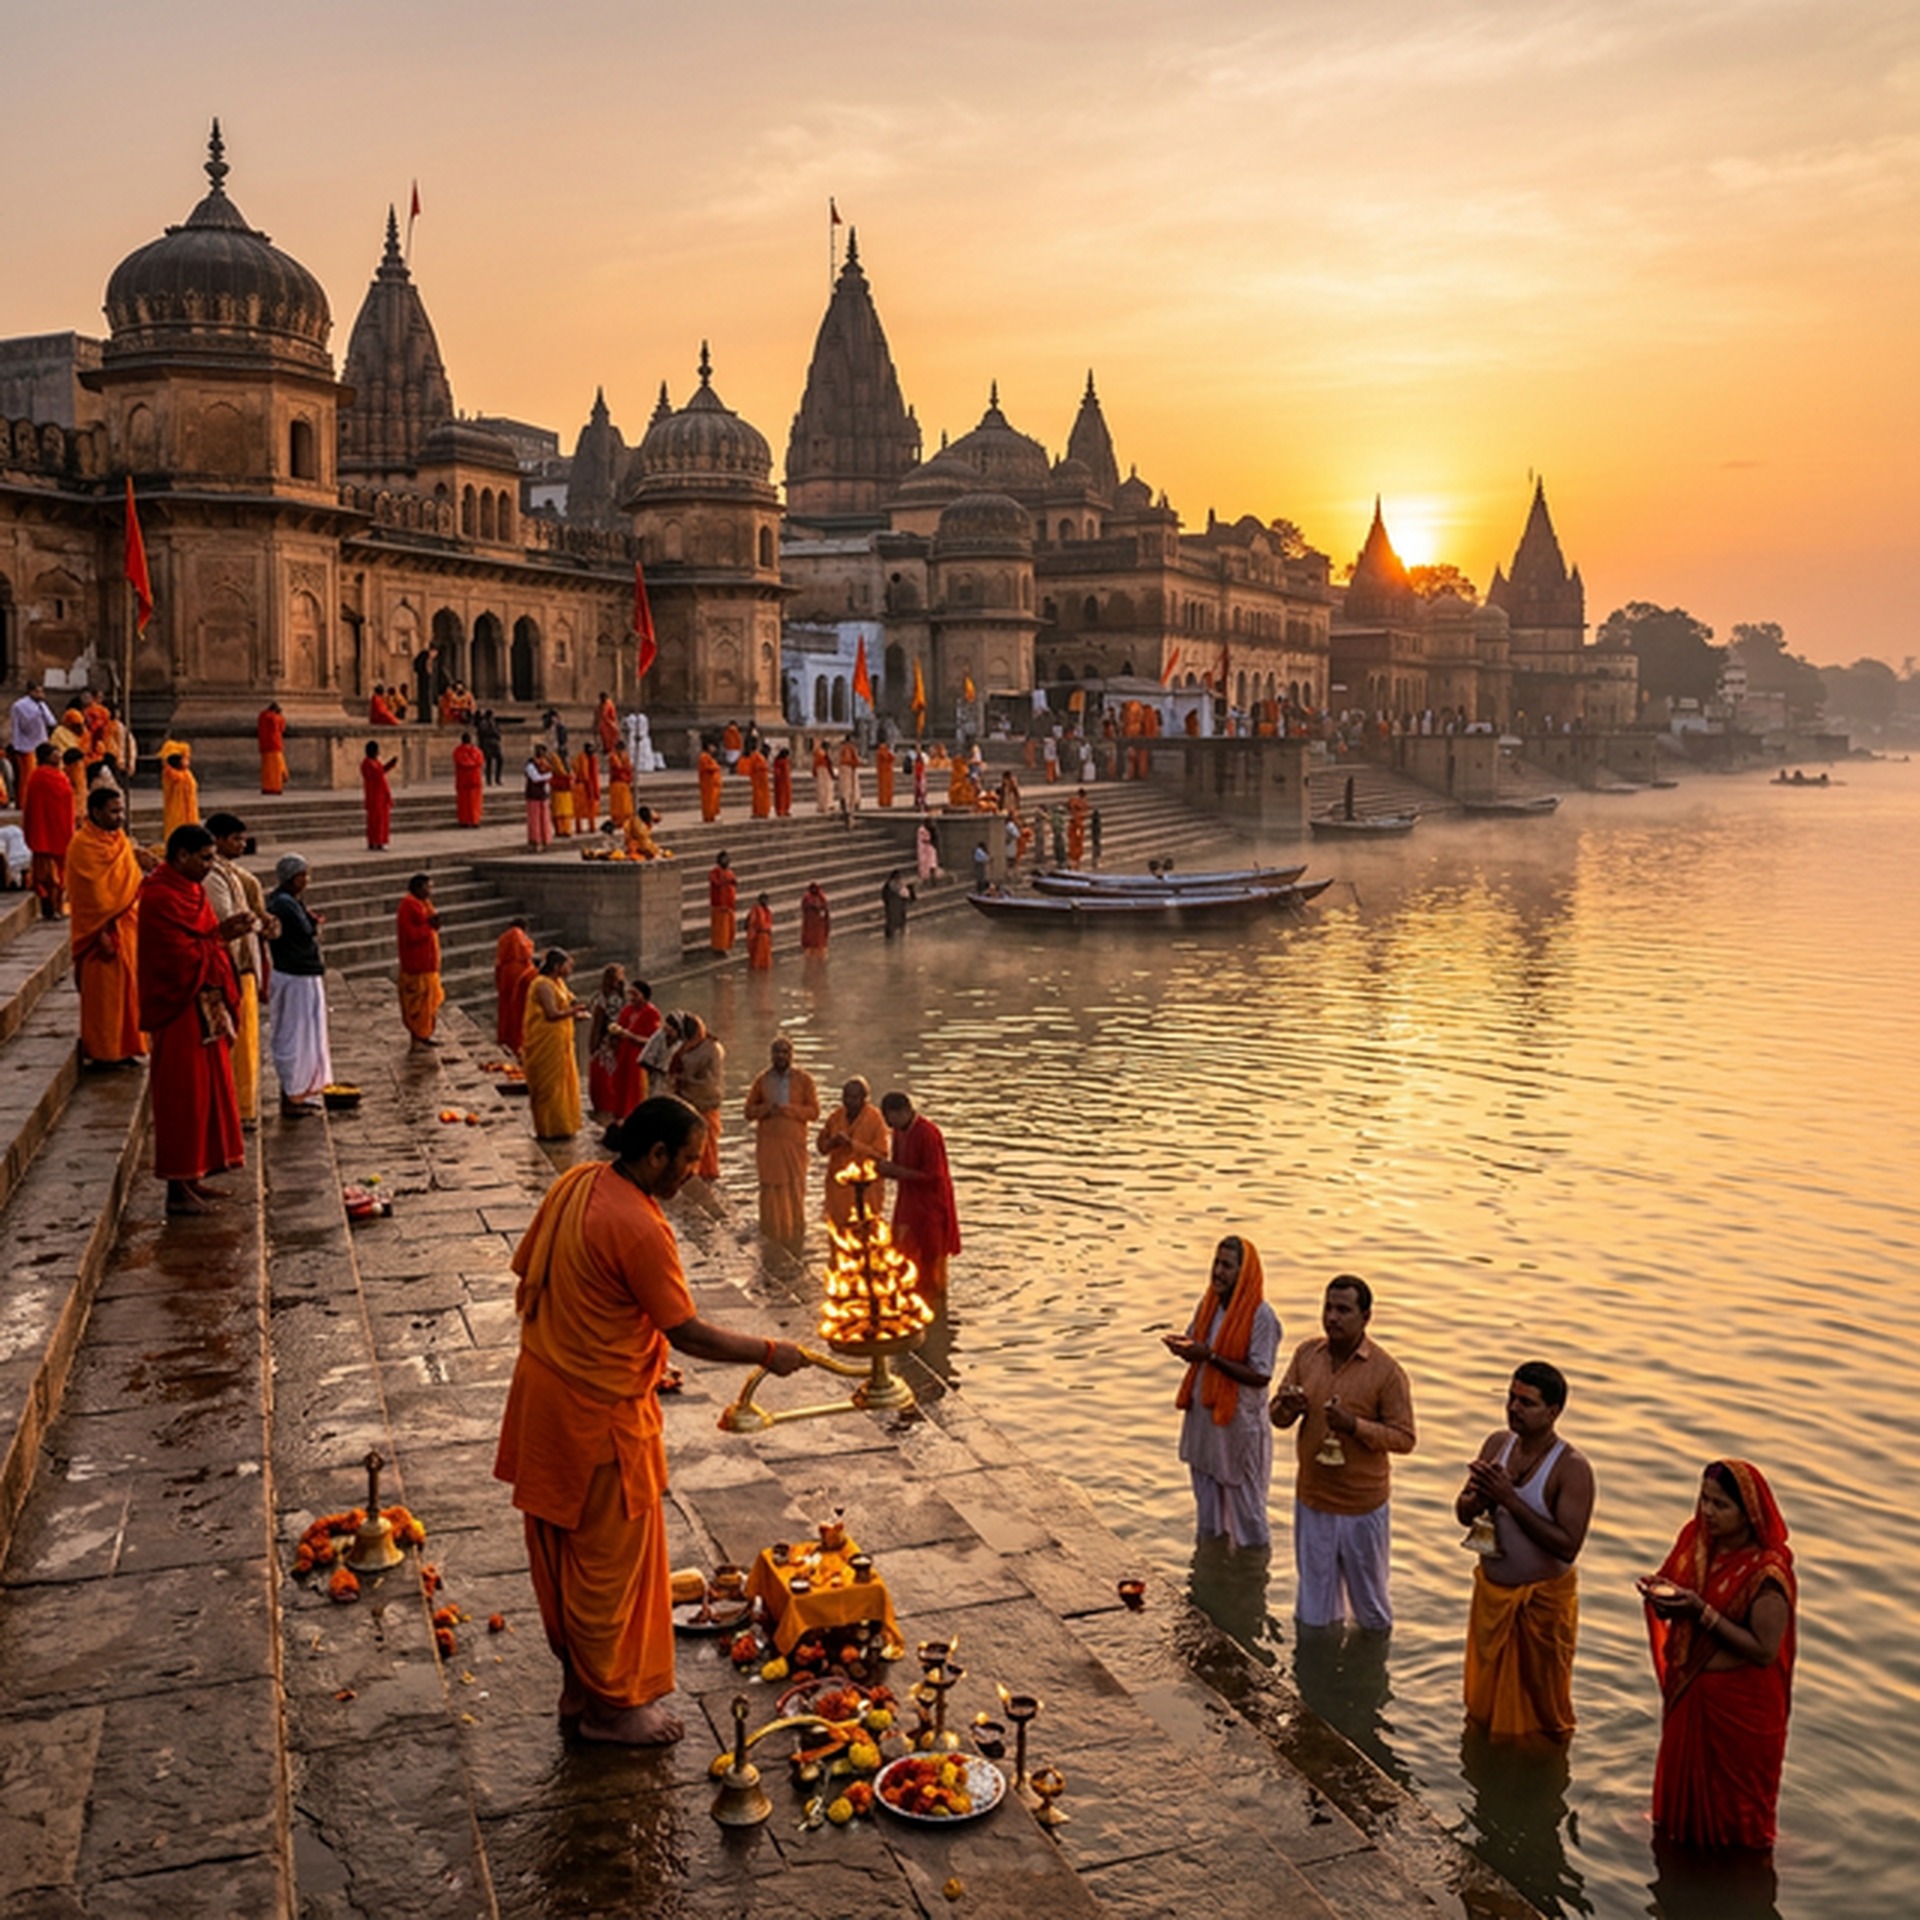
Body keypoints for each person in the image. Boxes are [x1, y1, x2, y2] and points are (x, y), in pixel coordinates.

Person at [492, 1097, 807, 1744]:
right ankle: (612, 1708)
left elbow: (534, 1274)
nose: (696, 1169)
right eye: (689, 1158)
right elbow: (684, 1330)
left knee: (567, 1555)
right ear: (655, 1153)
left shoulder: (578, 1183)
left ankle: (582, 1693)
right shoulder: (637, 1225)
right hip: (593, 1417)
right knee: (609, 1565)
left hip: (545, 1392)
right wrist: (768, 1352)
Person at [1639, 1461, 1796, 1851]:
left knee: (1736, 1823)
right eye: (1704, 1500)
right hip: (1691, 1693)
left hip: (1741, 1712)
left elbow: (1763, 1650)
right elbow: (1677, 1589)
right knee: (1678, 1817)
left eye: (1720, 1505)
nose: (1707, 1511)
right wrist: (1663, 1599)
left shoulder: (1767, 1573)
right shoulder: (1696, 1542)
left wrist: (1700, 1613)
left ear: (1749, 1515)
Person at [1455, 1362, 1594, 1741]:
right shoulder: (1496, 1444)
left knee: (1542, 1717)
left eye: (1527, 1403)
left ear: (1553, 1412)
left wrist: (1509, 1499)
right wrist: (1478, 1497)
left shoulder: (1571, 1468)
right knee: (1482, 1712)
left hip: (1541, 1608)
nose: (1514, 1408)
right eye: (1511, 1398)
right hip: (1491, 1599)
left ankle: (1541, 1774)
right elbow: (1463, 1514)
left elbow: (1568, 1547)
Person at [1270, 1276, 1416, 1632]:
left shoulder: (1387, 1372)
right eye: (1328, 1308)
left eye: (1343, 1310)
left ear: (1365, 1317)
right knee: (1312, 1610)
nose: (1332, 1317)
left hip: (1361, 1509)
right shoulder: (1308, 1354)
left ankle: (1369, 1677)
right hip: (1313, 1500)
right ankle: (1317, 1679)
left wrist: (1355, 1426)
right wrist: (1288, 1406)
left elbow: (1404, 1438)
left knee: (1371, 1610)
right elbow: (1276, 1417)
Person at [137, 825, 250, 1214]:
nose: (209, 866)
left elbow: (202, 942)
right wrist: (219, 937)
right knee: (183, 1096)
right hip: (178, 1008)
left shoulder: (193, 889)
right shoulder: (158, 896)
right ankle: (176, 1188)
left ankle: (196, 1176)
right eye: (203, 858)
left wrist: (218, 938)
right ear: (181, 856)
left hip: (204, 1006)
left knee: (209, 1093)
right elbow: (174, 958)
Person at [1164, 1237, 1280, 1550]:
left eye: (1227, 1266)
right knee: (1208, 1515)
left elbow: (1261, 1374)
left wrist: (1211, 1356)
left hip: (1238, 1429)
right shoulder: (1208, 1305)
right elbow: (1197, 1343)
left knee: (1249, 1518)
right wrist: (1184, 1348)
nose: (1218, 1272)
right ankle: (1212, 1573)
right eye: (1216, 1263)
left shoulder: (1261, 1317)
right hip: (1205, 1425)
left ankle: (1252, 1577)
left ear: (1244, 1273)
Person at [66, 784, 152, 1069]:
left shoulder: (120, 840)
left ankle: (128, 1047)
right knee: (105, 997)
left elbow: (131, 879)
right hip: (99, 933)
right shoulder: (82, 845)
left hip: (128, 927)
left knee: (130, 993)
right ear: (95, 812)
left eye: (121, 811)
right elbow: (92, 895)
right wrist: (104, 925)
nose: (120, 817)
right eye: (114, 811)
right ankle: (104, 1052)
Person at [204, 813, 276, 1128]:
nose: (242, 844)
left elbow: (246, 918)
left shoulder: (231, 873)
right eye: (236, 839)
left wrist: (262, 923)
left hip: (242, 966)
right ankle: (234, 1108)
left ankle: (242, 1106)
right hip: (227, 966)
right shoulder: (212, 876)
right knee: (234, 1044)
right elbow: (227, 920)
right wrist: (256, 924)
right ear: (218, 840)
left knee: (245, 1042)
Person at [264, 853, 331, 1115]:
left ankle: (302, 1091)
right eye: (303, 875)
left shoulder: (288, 901)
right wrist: (313, 924)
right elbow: (305, 931)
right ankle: (293, 1095)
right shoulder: (284, 904)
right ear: (292, 878)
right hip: (295, 976)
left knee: (306, 1035)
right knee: (297, 1036)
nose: (307, 880)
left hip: (299, 974)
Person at [876, 1091, 959, 1300]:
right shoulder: (899, 1132)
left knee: (932, 1259)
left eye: (890, 1119)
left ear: (903, 1111)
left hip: (931, 1205)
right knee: (902, 1253)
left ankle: (936, 1307)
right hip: (908, 1203)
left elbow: (934, 1176)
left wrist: (894, 1171)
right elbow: (899, 1167)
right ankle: (911, 1299)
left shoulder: (928, 1133)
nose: (889, 1125)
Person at [743, 1035, 822, 1250]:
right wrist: (767, 1109)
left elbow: (814, 1112)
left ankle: (795, 1231)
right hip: (769, 1146)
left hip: (794, 1145)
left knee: (794, 1186)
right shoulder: (762, 1080)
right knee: (770, 1186)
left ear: (791, 1055)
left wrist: (789, 1110)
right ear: (771, 1055)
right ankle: (771, 1229)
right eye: (776, 1052)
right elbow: (748, 1111)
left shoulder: (804, 1080)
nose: (780, 1056)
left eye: (784, 1052)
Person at [522, 947, 589, 1138]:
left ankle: (563, 1126)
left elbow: (568, 1002)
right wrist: (574, 1012)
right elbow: (552, 1014)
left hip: (560, 1040)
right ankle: (548, 1129)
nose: (571, 969)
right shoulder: (543, 984)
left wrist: (576, 1009)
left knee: (564, 1083)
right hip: (545, 1041)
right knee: (549, 1086)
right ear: (557, 966)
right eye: (568, 965)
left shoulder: (558, 982)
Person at [817, 1076, 890, 1228]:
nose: (849, 1101)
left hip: (866, 1188)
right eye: (846, 1097)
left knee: (866, 1232)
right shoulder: (836, 1116)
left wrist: (853, 1144)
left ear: (865, 1098)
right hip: (838, 1187)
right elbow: (822, 1147)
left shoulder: (875, 1119)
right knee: (838, 1232)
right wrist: (834, 1142)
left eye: (854, 1097)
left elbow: (881, 1154)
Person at [667, 1013, 725, 1178]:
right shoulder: (685, 1046)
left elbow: (710, 1078)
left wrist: (685, 1079)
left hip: (705, 1100)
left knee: (707, 1140)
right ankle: (691, 1171)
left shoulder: (711, 1049)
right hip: (687, 1100)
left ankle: (708, 1173)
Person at [22, 743, 74, 918]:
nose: (59, 756)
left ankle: (57, 907)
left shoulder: (59, 776)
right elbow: (33, 807)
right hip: (44, 831)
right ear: (45, 757)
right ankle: (49, 907)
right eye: (54, 753)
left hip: (59, 828)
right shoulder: (38, 777)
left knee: (59, 875)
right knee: (49, 877)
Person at [396, 873, 444, 1048]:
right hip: (416, 966)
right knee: (418, 1005)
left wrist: (434, 924)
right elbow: (410, 935)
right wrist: (429, 926)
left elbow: (430, 925)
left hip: (428, 964)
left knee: (429, 1004)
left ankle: (423, 1035)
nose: (430, 891)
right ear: (416, 888)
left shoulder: (424, 904)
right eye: (427, 887)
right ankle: (419, 1036)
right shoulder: (408, 906)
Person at [605, 978, 661, 1122]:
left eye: (635, 994)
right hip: (623, 1055)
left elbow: (652, 1041)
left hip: (638, 1058)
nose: (631, 998)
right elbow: (619, 1028)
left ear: (644, 995)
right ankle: (620, 1120)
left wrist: (630, 1036)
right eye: (630, 994)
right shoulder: (627, 1010)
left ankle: (636, 1121)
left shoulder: (651, 1013)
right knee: (620, 1089)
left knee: (635, 1091)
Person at [586, 964, 629, 1120]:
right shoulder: (601, 998)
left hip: (622, 1040)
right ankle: (605, 1109)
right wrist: (594, 1045)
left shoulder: (625, 996)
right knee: (606, 1078)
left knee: (616, 1078)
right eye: (616, 979)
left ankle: (615, 1108)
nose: (619, 982)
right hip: (606, 1042)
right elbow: (597, 1024)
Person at [494, 916, 537, 1056]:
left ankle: (504, 1038)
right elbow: (526, 952)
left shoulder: (503, 937)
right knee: (518, 1009)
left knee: (505, 1008)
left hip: (505, 974)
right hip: (519, 973)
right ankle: (516, 1042)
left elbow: (498, 961)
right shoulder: (517, 934)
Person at [9, 681, 56, 807]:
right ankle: (24, 803)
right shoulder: (19, 706)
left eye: (42, 692)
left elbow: (51, 722)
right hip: (25, 746)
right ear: (30, 692)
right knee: (27, 777)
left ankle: (38, 801)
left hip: (41, 745)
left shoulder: (42, 705)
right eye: (38, 692)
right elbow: (24, 726)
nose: (41, 694)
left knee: (41, 776)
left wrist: (42, 709)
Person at [361, 740, 397, 851]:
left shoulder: (375, 763)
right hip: (374, 797)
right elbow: (377, 773)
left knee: (381, 821)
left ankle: (380, 840)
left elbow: (380, 773)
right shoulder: (367, 764)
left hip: (380, 796)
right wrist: (389, 765)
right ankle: (376, 841)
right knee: (376, 821)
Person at [161, 748, 200, 841]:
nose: (187, 761)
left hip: (189, 810)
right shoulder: (171, 774)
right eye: (185, 759)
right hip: (176, 810)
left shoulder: (187, 774)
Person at [453, 730, 485, 827]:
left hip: (463, 779)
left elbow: (459, 762)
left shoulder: (458, 751)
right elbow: (480, 762)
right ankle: (475, 819)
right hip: (475, 778)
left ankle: (464, 820)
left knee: (463, 802)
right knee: (475, 801)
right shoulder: (477, 751)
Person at [525, 746, 554, 850]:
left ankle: (545, 840)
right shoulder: (530, 764)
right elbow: (535, 778)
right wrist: (548, 776)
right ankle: (535, 841)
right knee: (534, 819)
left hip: (543, 794)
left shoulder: (546, 763)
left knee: (545, 819)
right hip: (533, 795)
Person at [708, 852, 738, 954]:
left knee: (729, 928)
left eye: (727, 859)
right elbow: (716, 882)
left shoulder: (730, 872)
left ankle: (727, 945)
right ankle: (719, 948)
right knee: (720, 930)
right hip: (719, 905)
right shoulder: (714, 872)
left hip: (729, 904)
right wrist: (728, 880)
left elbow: (734, 882)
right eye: (723, 859)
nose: (725, 861)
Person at [257, 702, 288, 794]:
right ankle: (275, 788)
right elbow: (282, 728)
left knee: (267, 769)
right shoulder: (276, 718)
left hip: (264, 746)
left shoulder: (262, 717)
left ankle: (266, 787)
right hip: (275, 745)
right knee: (276, 769)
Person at [572, 742, 602, 832]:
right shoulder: (581, 758)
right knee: (579, 808)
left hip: (589, 784)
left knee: (591, 806)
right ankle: (579, 828)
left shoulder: (592, 758)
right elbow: (584, 774)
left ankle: (592, 826)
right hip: (581, 786)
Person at [606, 740, 635, 831]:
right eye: (619, 749)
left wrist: (628, 778)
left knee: (625, 803)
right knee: (617, 803)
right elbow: (618, 768)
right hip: (616, 782)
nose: (620, 751)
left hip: (624, 782)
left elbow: (628, 768)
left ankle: (626, 820)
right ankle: (617, 821)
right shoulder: (612, 756)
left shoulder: (625, 756)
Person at [738, 742, 771, 819]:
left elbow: (758, 767)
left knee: (759, 797)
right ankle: (761, 812)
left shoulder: (755, 757)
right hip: (759, 780)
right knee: (760, 797)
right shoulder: (758, 757)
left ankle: (760, 812)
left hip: (759, 780)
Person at [744, 893, 774, 970]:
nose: (765, 902)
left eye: (766, 900)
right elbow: (751, 923)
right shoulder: (755, 910)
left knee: (765, 962)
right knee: (756, 961)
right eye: (763, 900)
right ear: (759, 901)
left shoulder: (768, 911)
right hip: (758, 936)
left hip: (765, 937)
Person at [881, 868, 913, 938]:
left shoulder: (901, 888)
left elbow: (910, 899)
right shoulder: (889, 888)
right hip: (893, 913)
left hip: (899, 913)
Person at [800, 881, 830, 954]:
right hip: (810, 924)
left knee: (820, 943)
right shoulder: (807, 897)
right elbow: (804, 907)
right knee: (810, 945)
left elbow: (825, 908)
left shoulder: (821, 896)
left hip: (819, 925)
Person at [476, 708, 504, 786]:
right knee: (489, 762)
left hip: (494, 744)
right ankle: (489, 780)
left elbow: (498, 732)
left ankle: (497, 778)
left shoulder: (493, 723)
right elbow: (483, 734)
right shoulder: (483, 723)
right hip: (487, 744)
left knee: (500, 760)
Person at [697, 744, 724, 824]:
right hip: (708, 783)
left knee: (714, 800)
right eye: (712, 746)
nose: (714, 748)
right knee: (709, 800)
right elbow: (706, 767)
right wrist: (716, 767)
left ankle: (713, 814)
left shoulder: (709, 757)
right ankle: (710, 815)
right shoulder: (704, 757)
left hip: (713, 783)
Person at [836, 737, 861, 815]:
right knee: (851, 787)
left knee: (844, 787)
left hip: (843, 767)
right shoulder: (851, 748)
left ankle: (844, 801)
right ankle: (851, 803)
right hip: (849, 768)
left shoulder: (842, 748)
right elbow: (856, 759)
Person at [811, 740, 834, 815]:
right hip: (823, 771)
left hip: (822, 771)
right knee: (824, 789)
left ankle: (825, 805)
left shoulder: (819, 753)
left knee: (824, 789)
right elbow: (828, 763)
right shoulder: (821, 754)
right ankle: (824, 806)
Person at [772, 745, 793, 818]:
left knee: (787, 796)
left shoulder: (786, 761)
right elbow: (776, 772)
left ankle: (786, 809)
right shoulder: (778, 761)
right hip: (780, 782)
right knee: (780, 796)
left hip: (786, 781)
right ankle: (780, 810)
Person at [874, 739, 896, 809]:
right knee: (884, 788)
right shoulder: (882, 750)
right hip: (884, 771)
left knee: (887, 787)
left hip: (887, 771)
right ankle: (885, 802)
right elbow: (887, 757)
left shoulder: (884, 750)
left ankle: (887, 801)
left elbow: (892, 758)